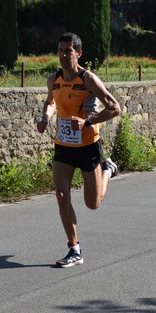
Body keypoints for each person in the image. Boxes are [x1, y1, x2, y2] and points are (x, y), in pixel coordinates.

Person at [36, 32, 121, 268]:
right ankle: (74, 248)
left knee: (92, 204)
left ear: (78, 53)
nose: (64, 55)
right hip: (63, 146)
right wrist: (45, 118)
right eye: (61, 50)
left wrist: (88, 122)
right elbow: (51, 102)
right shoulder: (53, 80)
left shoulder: (88, 79)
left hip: (87, 146)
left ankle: (107, 170)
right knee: (61, 195)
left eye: (69, 51)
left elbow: (115, 108)